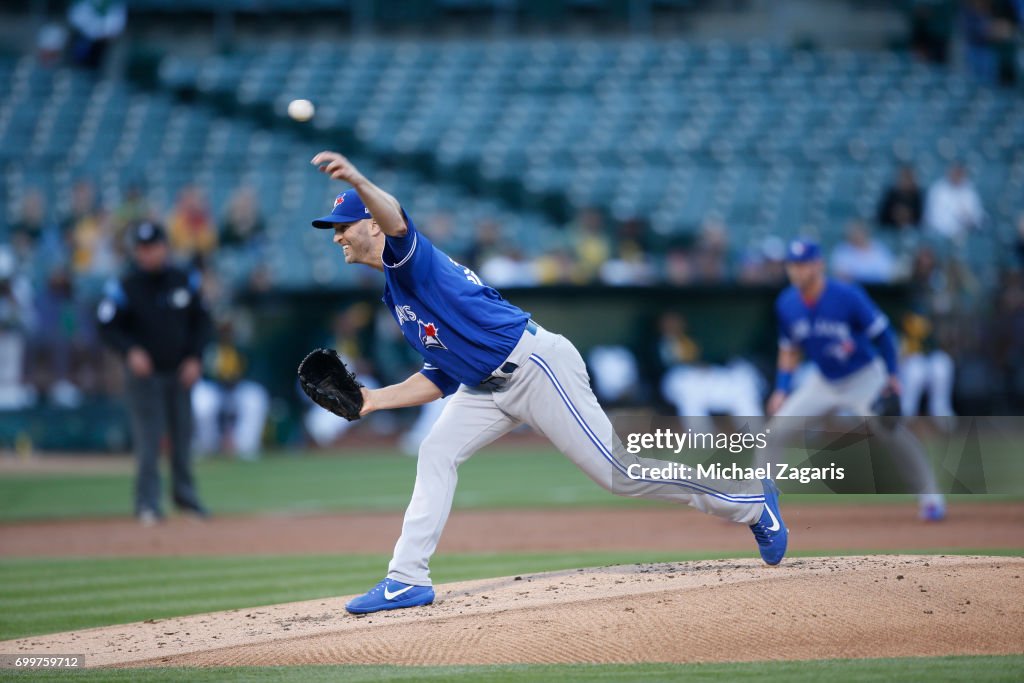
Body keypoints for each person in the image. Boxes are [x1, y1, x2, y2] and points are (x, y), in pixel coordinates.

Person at [307, 150, 787, 615]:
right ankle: (407, 579)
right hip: (484, 386)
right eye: (334, 230)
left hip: (537, 368)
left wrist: (359, 182)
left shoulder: (409, 260)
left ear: (370, 222)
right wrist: (371, 400)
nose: (337, 238)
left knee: (619, 474)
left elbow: (396, 220)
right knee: (436, 452)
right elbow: (442, 374)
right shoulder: (396, 295)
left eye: (343, 227)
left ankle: (749, 502)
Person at [758, 239, 946, 522]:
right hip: (823, 381)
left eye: (803, 264)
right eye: (793, 265)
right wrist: (781, 389)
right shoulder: (786, 304)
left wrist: (893, 375)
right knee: (774, 433)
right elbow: (789, 350)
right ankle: (759, 502)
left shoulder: (846, 295)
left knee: (890, 430)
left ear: (818, 264)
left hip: (863, 377)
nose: (797, 270)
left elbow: (883, 335)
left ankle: (930, 495)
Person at [97, 222, 211, 525]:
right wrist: (129, 350)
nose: (147, 254)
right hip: (145, 376)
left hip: (180, 371)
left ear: (165, 247)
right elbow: (107, 326)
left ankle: (185, 497)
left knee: (182, 438)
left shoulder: (184, 280)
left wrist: (195, 358)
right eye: (142, 249)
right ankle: (147, 503)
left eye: (152, 247)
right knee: (149, 440)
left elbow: (203, 321)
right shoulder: (125, 285)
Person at [923, 163, 984, 242]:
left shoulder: (969, 190)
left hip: (966, 236)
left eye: (959, 173)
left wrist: (969, 220)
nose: (957, 175)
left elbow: (978, 216)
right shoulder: (937, 189)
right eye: (955, 172)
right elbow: (933, 219)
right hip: (941, 236)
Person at [829, 220, 897, 284]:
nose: (857, 235)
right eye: (853, 232)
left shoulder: (879, 248)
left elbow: (889, 273)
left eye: (859, 231)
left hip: (880, 290)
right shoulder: (842, 250)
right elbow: (842, 276)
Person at [876, 166, 924, 230]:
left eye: (908, 178)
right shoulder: (891, 195)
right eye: (903, 178)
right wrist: (895, 214)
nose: (906, 181)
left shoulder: (918, 197)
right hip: (891, 230)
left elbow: (921, 220)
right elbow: (881, 219)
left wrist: (908, 216)